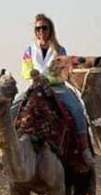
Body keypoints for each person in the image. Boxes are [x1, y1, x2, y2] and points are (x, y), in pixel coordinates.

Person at [18, 13, 94, 168]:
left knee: (77, 110)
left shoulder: (60, 50)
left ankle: (85, 149)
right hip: (35, 85)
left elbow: (62, 72)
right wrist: (34, 75)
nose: (41, 31)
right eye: (37, 28)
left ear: (50, 30)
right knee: (14, 106)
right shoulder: (29, 50)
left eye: (44, 28)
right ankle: (6, 151)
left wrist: (48, 79)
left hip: (57, 87)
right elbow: (26, 69)